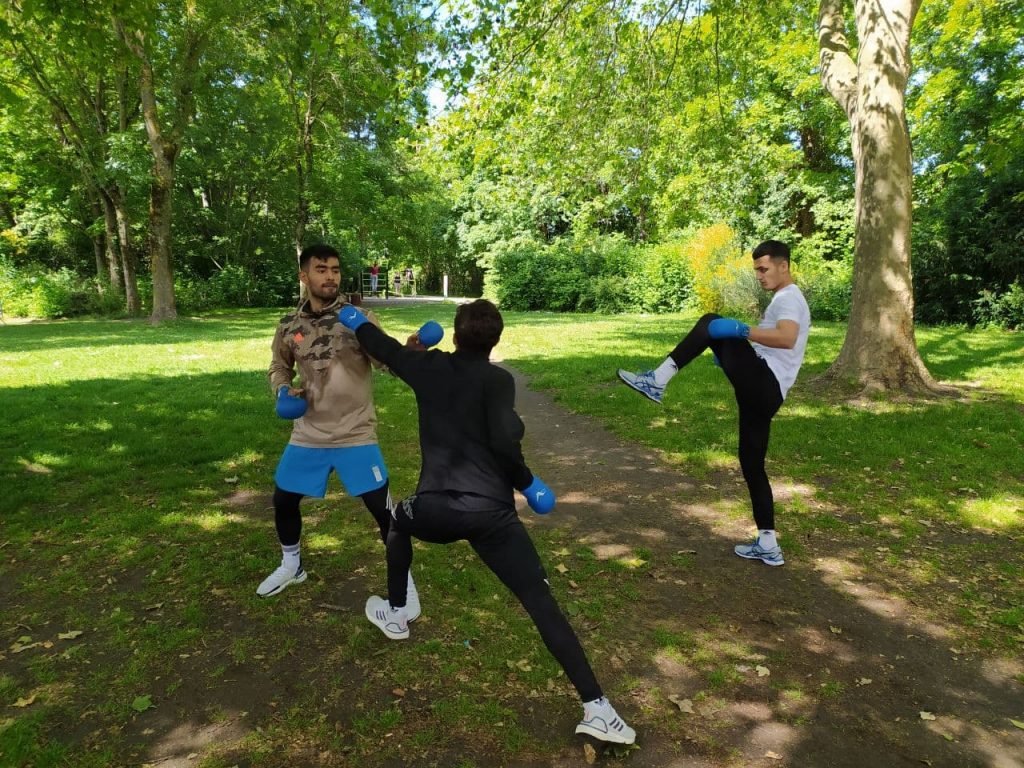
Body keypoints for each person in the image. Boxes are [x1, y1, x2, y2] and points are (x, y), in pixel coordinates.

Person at [338, 299, 636, 745]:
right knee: (540, 602)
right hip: (492, 515)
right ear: (495, 341)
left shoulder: (429, 368)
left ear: (456, 335)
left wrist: (354, 319)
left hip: (436, 509)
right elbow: (503, 441)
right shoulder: (499, 380)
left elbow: (384, 348)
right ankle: (599, 708)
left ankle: (398, 612)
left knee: (396, 519)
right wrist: (528, 484)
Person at [618, 240, 810, 567]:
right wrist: (733, 357)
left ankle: (658, 380)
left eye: (764, 269)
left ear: (784, 266)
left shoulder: (789, 297)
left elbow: (787, 338)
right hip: (768, 394)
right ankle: (768, 543)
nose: (759, 276)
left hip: (764, 382)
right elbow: (776, 346)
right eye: (756, 270)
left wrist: (742, 330)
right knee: (752, 464)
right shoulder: (785, 298)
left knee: (710, 321)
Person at [260, 243, 420, 620]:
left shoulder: (358, 318)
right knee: (284, 500)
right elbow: (279, 366)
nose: (330, 276)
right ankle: (292, 566)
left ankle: (405, 587)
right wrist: (282, 389)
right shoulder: (289, 325)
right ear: (304, 276)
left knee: (385, 515)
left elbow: (388, 361)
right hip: (308, 433)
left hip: (356, 434)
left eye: (334, 269)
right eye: (321, 269)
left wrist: (410, 355)